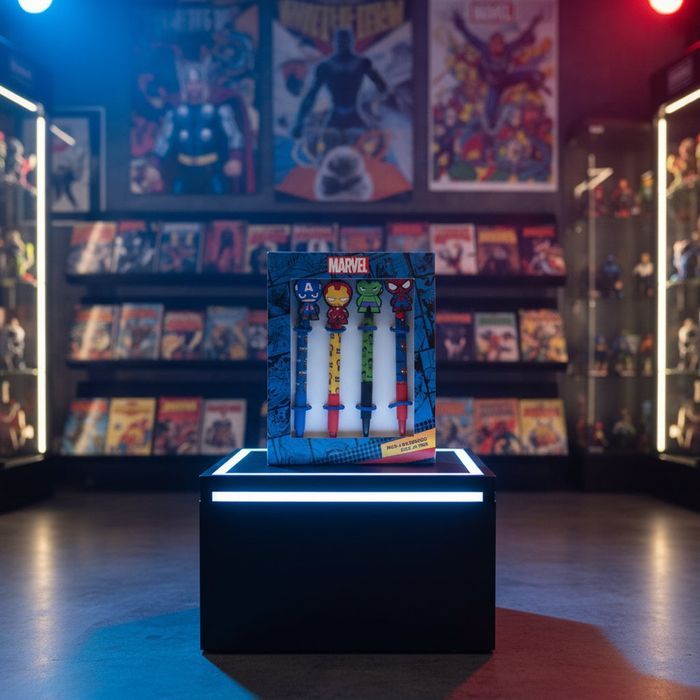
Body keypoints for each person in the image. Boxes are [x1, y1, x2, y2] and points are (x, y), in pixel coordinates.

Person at [451, 10, 546, 130]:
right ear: (490, 44)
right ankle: (490, 123)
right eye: (494, 43)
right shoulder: (483, 48)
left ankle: (535, 82)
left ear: (503, 44)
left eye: (499, 43)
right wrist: (459, 24)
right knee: (491, 109)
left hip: (506, 79)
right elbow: (470, 37)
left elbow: (522, 39)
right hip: (493, 84)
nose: (496, 46)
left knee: (531, 74)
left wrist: (534, 23)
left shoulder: (508, 49)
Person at [292, 28, 387, 143]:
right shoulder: (359, 63)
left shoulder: (360, 63)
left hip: (344, 118)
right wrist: (299, 123)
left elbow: (310, 96)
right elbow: (383, 88)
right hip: (346, 118)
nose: (343, 43)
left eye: (344, 40)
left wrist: (299, 123)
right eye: (342, 41)